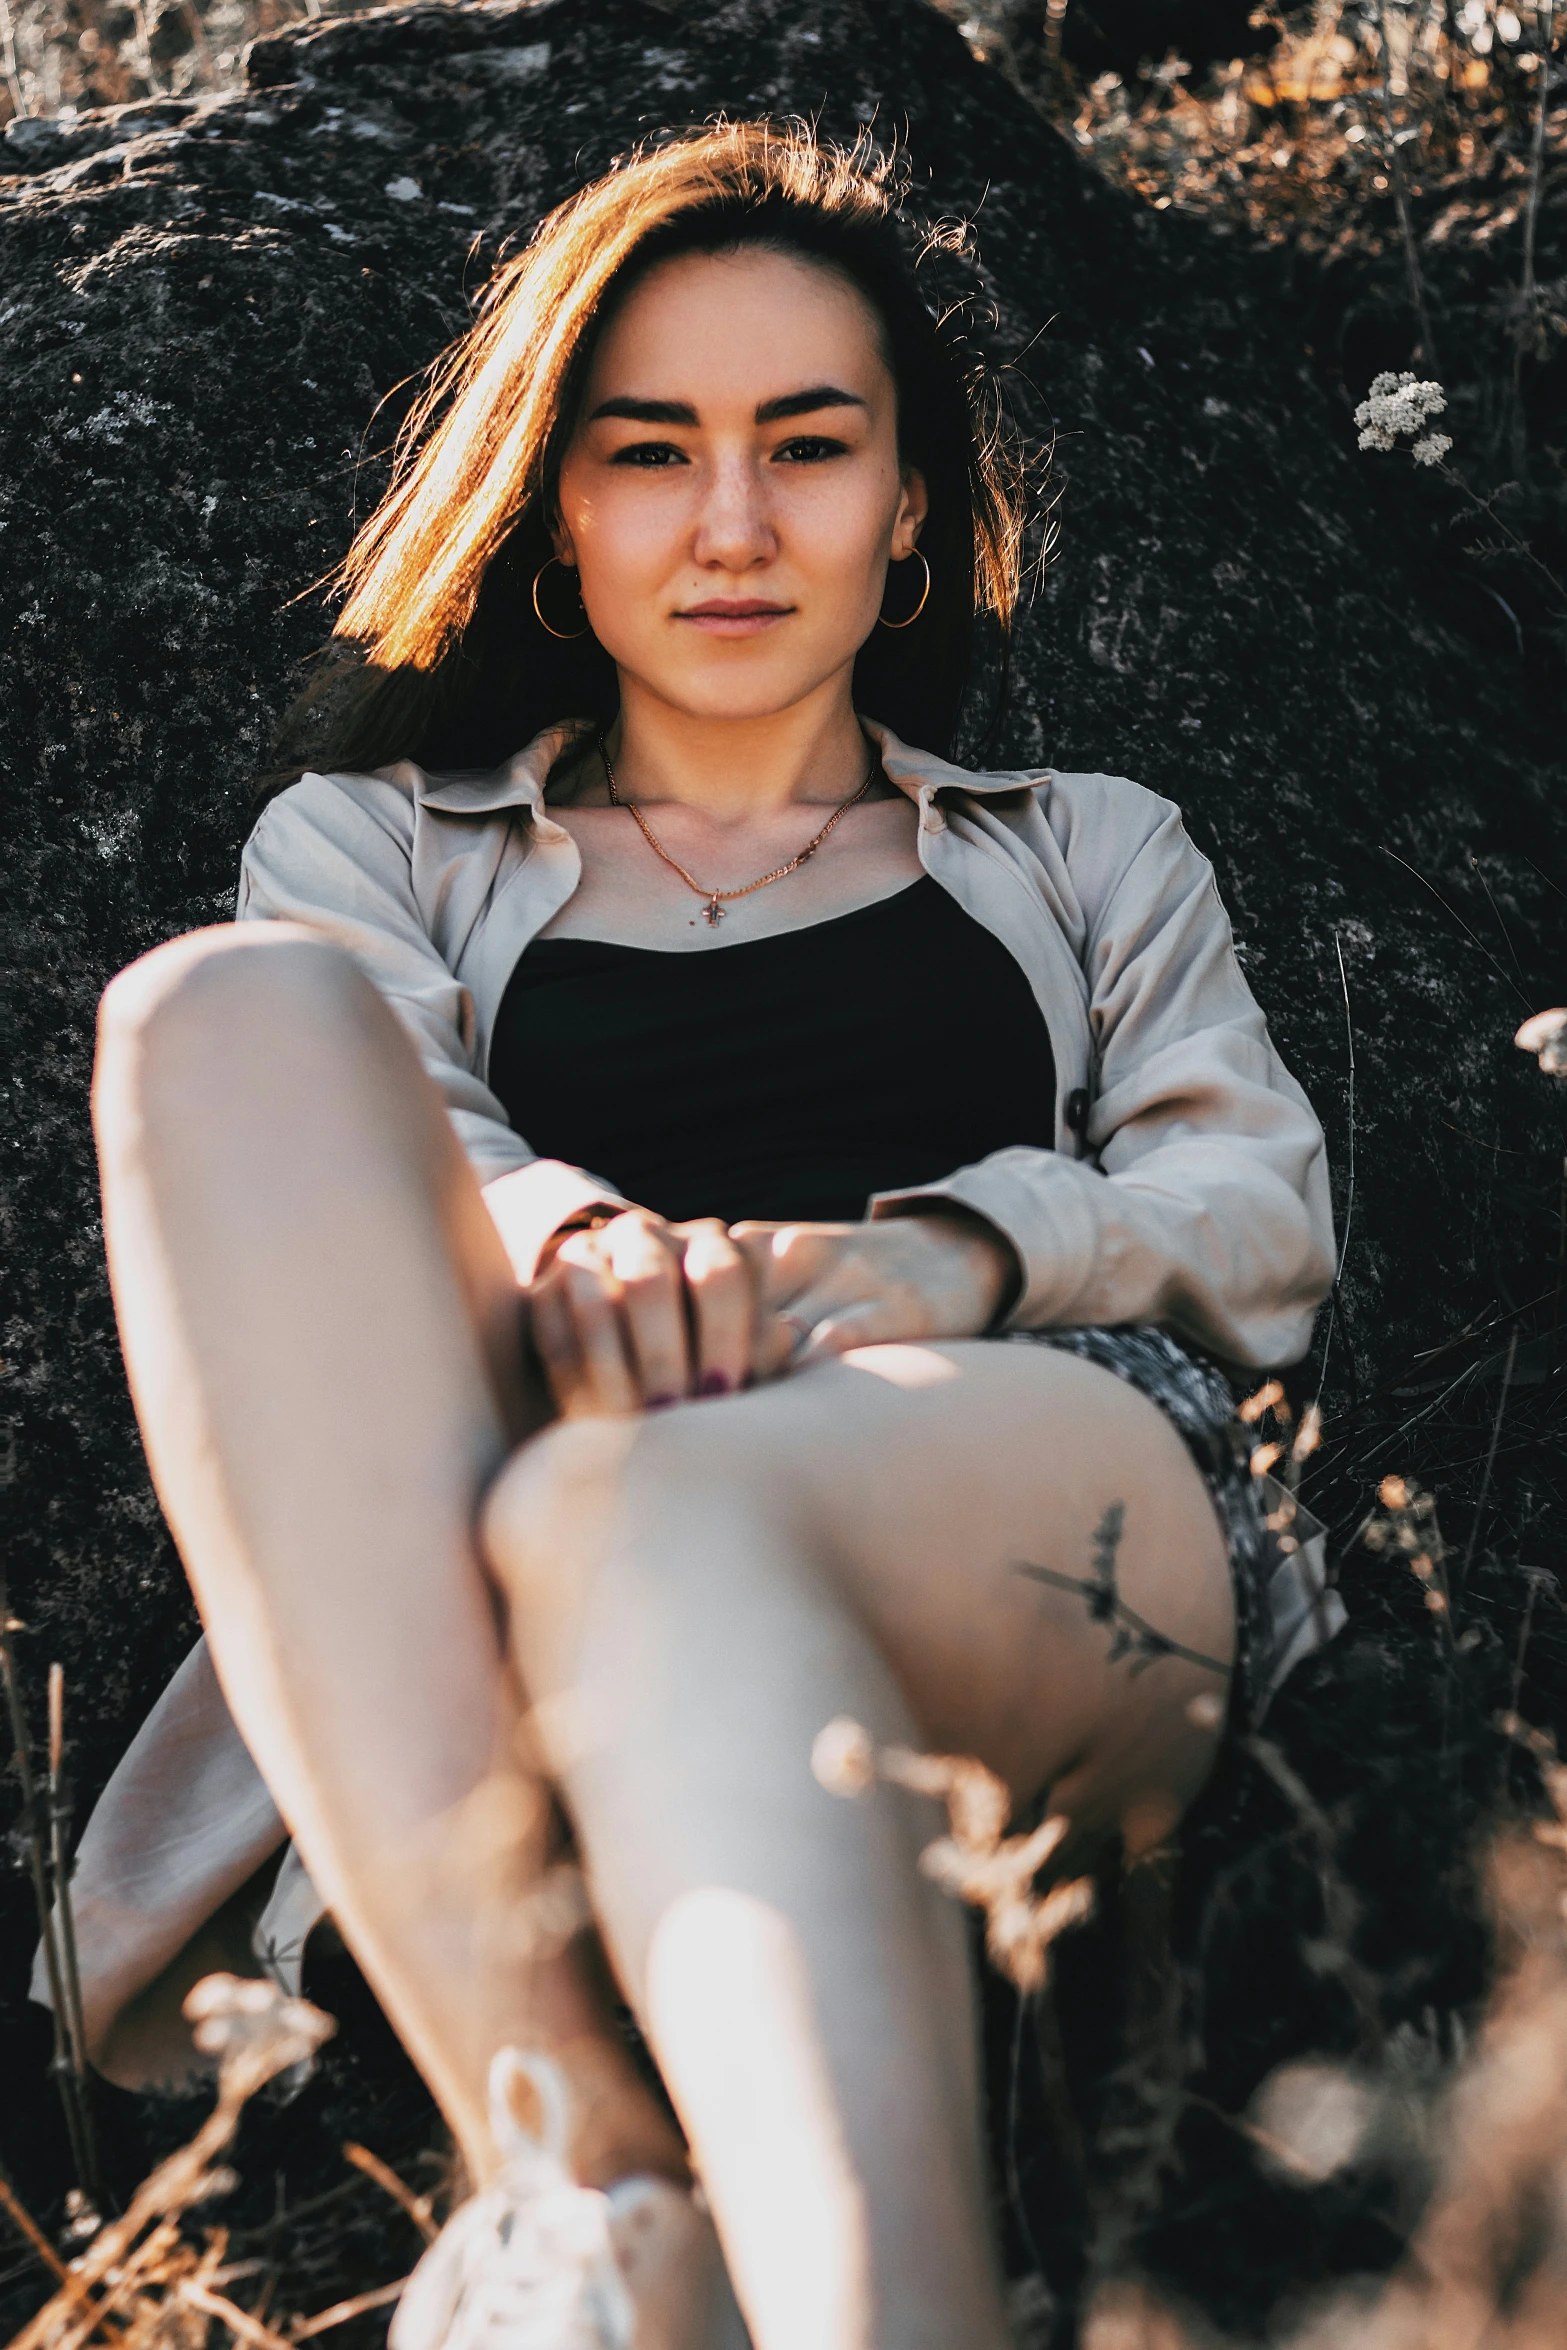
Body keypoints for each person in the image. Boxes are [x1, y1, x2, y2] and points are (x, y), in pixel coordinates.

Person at [54, 122, 1340, 2350]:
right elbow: (386, 1156)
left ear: (911, 496)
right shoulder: (365, 850)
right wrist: (579, 1246)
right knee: (211, 1014)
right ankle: (588, 2168)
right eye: (651, 452)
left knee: (641, 1491)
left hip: (1024, 1487)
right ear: (560, 503)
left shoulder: (1092, 848)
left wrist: (935, 1259)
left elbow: (1254, 1215)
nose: (732, 525)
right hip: (509, 1569)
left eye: (808, 447)